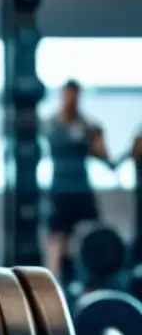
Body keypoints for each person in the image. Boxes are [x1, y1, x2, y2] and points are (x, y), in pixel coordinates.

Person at [41, 79, 118, 283]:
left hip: (81, 190)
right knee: (57, 238)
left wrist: (100, 142)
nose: (71, 99)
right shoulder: (51, 124)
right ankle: (53, 283)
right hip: (60, 190)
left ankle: (96, 280)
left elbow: (105, 158)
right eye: (68, 94)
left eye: (75, 95)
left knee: (95, 234)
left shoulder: (88, 126)